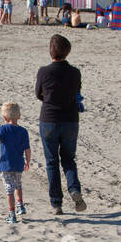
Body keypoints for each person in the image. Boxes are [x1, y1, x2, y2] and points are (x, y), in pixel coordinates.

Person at [35, 34, 86, 215]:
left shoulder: (43, 71)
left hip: (49, 119)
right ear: (67, 51)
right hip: (70, 119)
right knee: (69, 159)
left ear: (51, 51)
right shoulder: (75, 72)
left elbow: (38, 94)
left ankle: (56, 203)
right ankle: (74, 189)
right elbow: (77, 92)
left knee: (51, 162)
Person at [0, 101, 32, 224]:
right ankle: (20, 205)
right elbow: (27, 149)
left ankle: (12, 214)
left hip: (6, 165)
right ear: (19, 116)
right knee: (18, 185)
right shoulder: (23, 131)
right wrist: (28, 161)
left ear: (4, 118)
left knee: (9, 190)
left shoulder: (3, 129)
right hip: (19, 164)